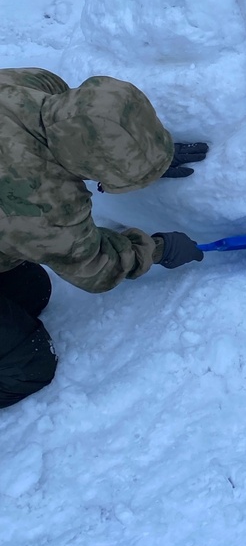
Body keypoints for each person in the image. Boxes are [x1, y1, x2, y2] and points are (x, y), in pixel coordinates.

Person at [0, 67, 208, 409]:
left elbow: (94, 127)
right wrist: (157, 249)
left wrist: (147, 154)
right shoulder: (43, 203)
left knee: (32, 289)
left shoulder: (35, 86)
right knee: (28, 366)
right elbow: (96, 268)